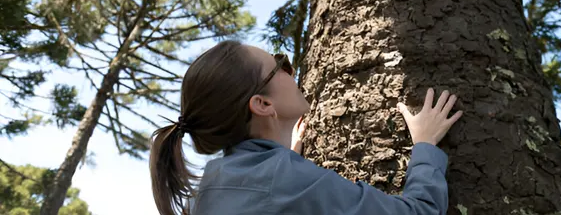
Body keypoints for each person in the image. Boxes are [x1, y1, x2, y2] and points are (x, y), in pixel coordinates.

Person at [149, 40, 463, 215]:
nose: (292, 70)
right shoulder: (283, 179)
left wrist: (284, 153)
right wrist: (425, 145)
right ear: (263, 105)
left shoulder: (209, 188)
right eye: (280, 66)